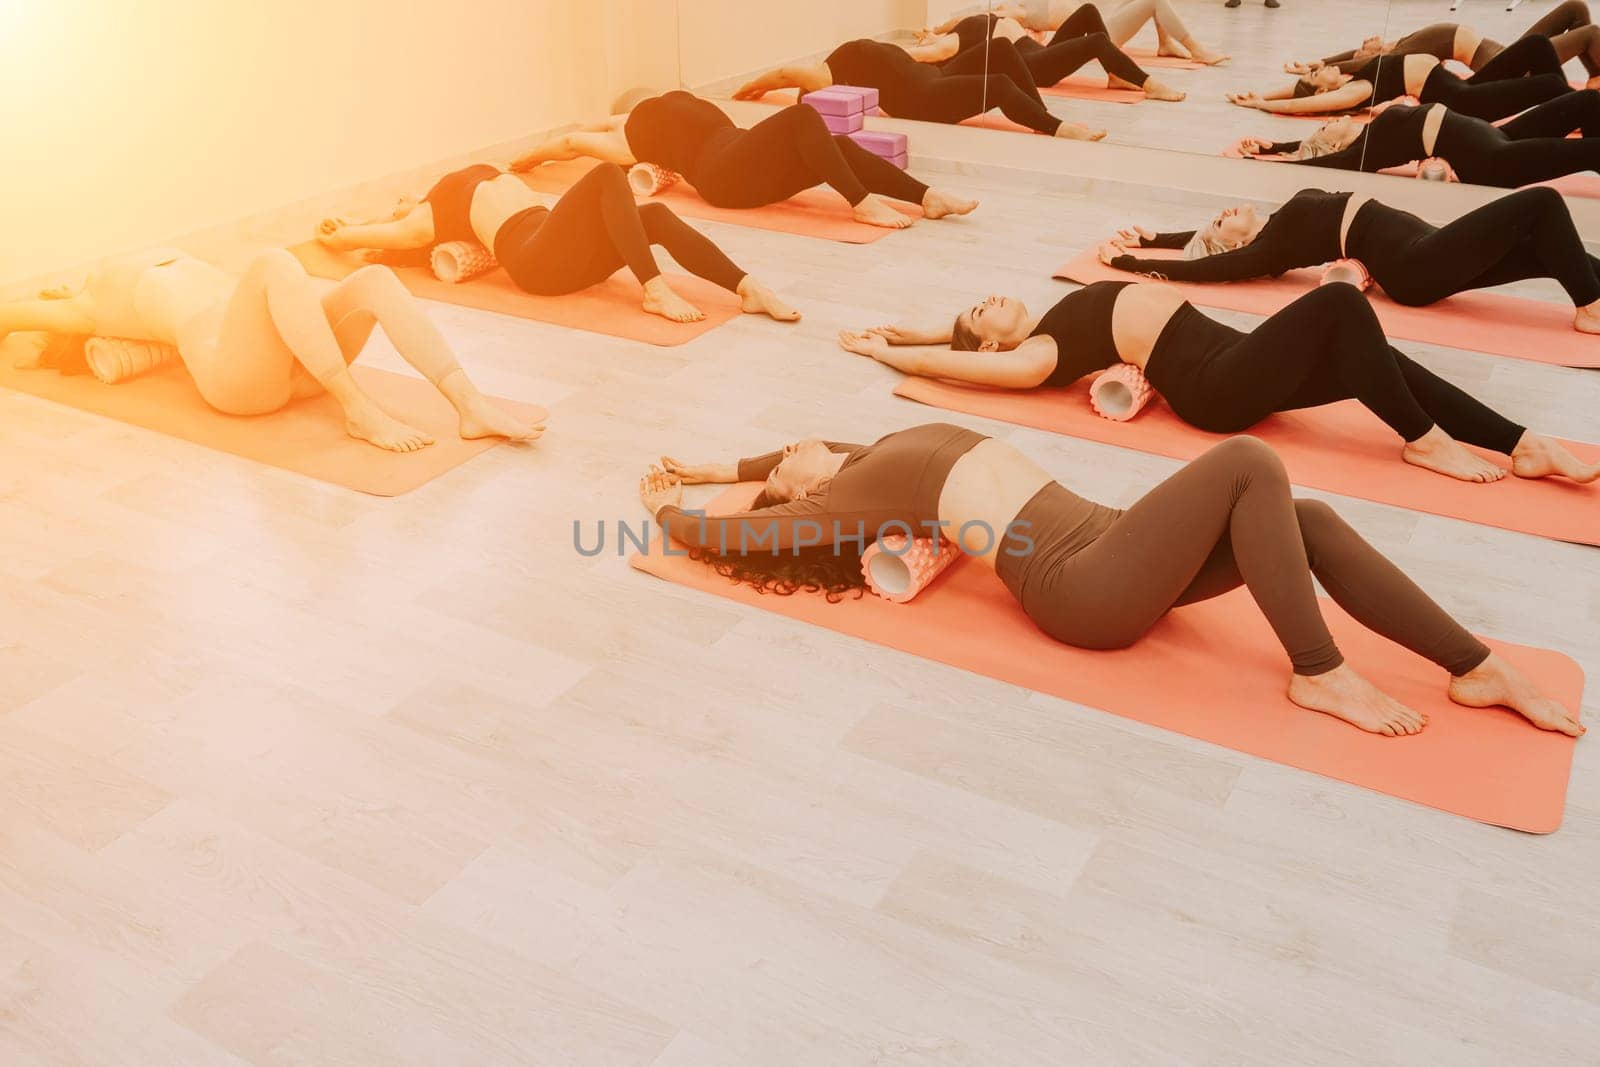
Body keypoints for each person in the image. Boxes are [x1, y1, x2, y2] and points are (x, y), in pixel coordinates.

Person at [639, 426, 1583, 738]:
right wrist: (677, 514)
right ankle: (1317, 666)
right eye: (787, 464)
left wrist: (704, 464)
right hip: (1080, 588)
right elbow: (760, 537)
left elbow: (773, 456)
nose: (798, 446)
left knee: (1311, 520)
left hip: (1110, 537)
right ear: (793, 492)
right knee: (1251, 459)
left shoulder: (854, 450)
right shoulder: (844, 495)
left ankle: (1474, 663)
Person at [835, 281, 1600, 485]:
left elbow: (944, 336)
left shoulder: (1044, 318)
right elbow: (959, 362)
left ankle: (1524, 444)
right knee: (1339, 303)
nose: (989, 299)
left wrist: (910, 327)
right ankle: (1425, 441)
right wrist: (891, 357)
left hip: (1235, 355)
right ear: (993, 340)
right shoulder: (1032, 354)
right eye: (981, 312)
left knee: (1384, 361)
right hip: (1216, 386)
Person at [1, 248, 543, 452]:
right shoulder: (87, 307)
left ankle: (469, 406)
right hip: (236, 379)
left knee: (374, 277)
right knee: (273, 262)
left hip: (288, 359)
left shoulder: (122, 274)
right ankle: (358, 409)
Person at [318, 161, 798, 324]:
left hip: (556, 243)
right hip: (536, 261)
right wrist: (348, 232)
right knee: (608, 175)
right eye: (397, 204)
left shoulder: (449, 184)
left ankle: (745, 286)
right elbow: (371, 236)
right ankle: (653, 288)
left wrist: (360, 217)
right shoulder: (427, 218)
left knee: (650, 214)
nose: (400, 201)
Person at [1101, 186, 1600, 331]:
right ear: (1233, 246)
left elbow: (1199, 241)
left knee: (1552, 250)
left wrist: (1150, 239)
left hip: (1427, 244)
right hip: (1414, 265)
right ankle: (1589, 307)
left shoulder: (1274, 223)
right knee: (1543, 204)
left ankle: (1591, 291)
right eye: (1218, 225)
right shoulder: (1269, 250)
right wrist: (1128, 266)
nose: (1219, 213)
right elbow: (1200, 267)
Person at [507, 90, 977, 227]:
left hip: (740, 152)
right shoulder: (630, 143)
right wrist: (529, 159)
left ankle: (928, 197)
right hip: (724, 177)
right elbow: (572, 142)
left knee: (839, 146)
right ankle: (860, 201)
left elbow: (586, 129)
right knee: (800, 118)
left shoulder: (631, 118)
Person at [734, 37, 1108, 140]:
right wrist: (750, 89)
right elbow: (783, 73)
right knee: (999, 84)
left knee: (1003, 49)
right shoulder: (826, 78)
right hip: (925, 99)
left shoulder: (844, 61)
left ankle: (1037, 111)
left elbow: (921, 55)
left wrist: (935, 46)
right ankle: (1058, 128)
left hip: (933, 76)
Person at [1242, 95, 1600, 188]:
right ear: (1334, 147)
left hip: (1499, 135)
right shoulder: (1365, 152)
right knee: (1590, 151)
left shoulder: (1367, 133)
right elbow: (1324, 164)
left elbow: (1310, 147)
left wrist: (1275, 146)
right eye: (1323, 132)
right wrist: (1283, 165)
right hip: (1494, 160)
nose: (1327, 123)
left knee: (1587, 102)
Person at [1228, 36, 1569, 122]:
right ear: (1324, 87)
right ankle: (1574, 107)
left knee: (1537, 46)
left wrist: (1263, 93)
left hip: (1468, 86)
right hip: (1468, 101)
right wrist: (1263, 106)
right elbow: (1308, 101)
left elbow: (1298, 88)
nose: (1322, 69)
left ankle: (1570, 107)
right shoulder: (1356, 90)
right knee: (1552, 86)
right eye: (1319, 74)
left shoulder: (1351, 74)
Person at [1294, 2, 1600, 88]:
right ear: (1375, 57)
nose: (1364, 41)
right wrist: (1327, 69)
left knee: (1576, 9)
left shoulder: (1401, 42)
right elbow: (1358, 63)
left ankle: (1594, 82)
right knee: (1592, 34)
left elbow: (1350, 58)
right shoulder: (1401, 55)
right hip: (1511, 67)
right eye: (1364, 47)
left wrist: (1317, 61)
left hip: (1507, 52)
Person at [903, 10, 1186, 101]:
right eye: (924, 37)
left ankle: (1114, 74)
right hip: (1035, 67)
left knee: (1088, 11)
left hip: (1039, 52)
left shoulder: (961, 25)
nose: (925, 34)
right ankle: (1148, 83)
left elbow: (952, 20)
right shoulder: (952, 43)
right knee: (1097, 41)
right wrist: (918, 47)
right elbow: (927, 53)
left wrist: (936, 27)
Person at [977, 0, 1228, 62]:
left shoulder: (1027, 7)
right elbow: (988, 18)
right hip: (1100, 31)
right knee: (1153, 1)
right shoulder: (1018, 12)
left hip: (1100, 21)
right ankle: (1196, 50)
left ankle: (1166, 44)